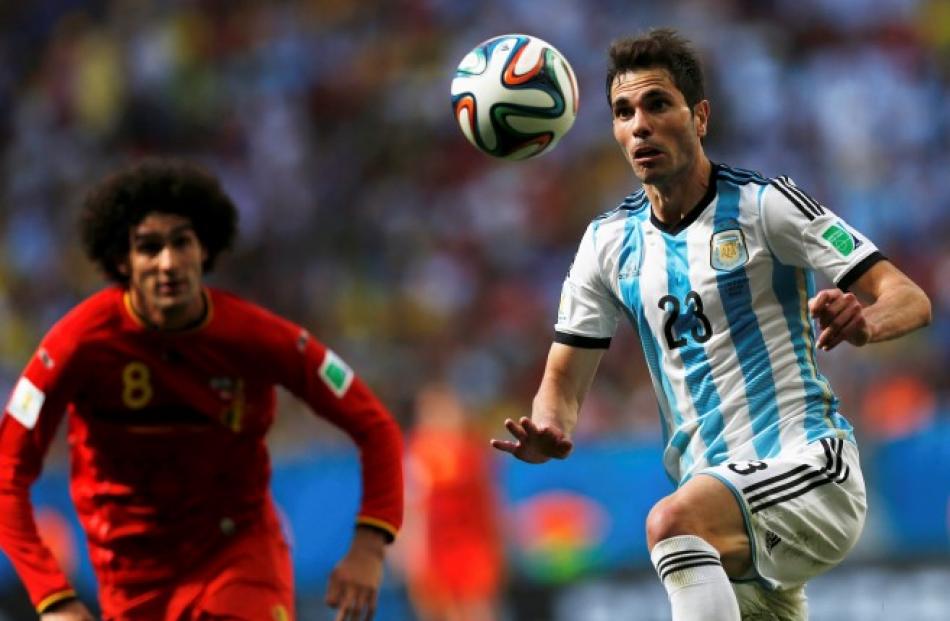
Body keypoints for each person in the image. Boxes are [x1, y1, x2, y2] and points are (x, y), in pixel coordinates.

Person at [491, 28, 932, 620]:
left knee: (671, 520)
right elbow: (562, 385)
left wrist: (865, 324)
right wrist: (547, 428)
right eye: (623, 112)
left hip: (810, 469)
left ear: (699, 117)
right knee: (686, 525)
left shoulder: (764, 205)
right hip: (728, 526)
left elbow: (908, 297)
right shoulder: (607, 244)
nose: (640, 125)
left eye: (657, 104)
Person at [0, 159, 403, 621]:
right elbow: (7, 472)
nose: (167, 262)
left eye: (181, 243)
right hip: (131, 576)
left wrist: (370, 547)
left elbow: (375, 425)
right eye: (149, 248)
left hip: (237, 554)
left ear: (205, 249)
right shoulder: (74, 345)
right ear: (121, 261)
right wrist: (55, 601)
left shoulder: (258, 338)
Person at [400, 382, 504, 621]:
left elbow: (491, 499)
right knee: (439, 610)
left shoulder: (473, 448)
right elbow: (414, 508)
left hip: (474, 543)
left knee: (478, 608)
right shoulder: (420, 451)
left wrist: (499, 541)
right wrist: (413, 552)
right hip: (436, 545)